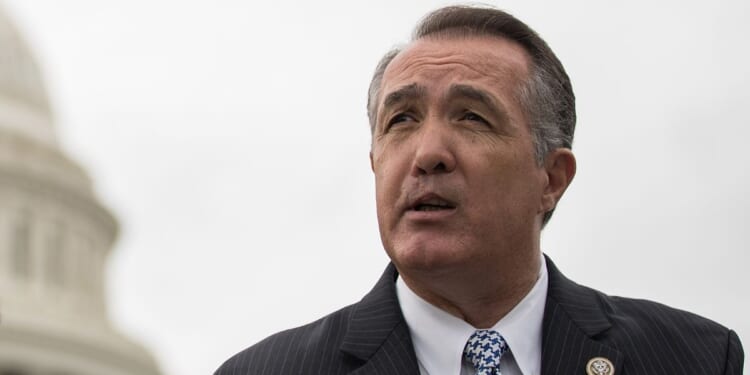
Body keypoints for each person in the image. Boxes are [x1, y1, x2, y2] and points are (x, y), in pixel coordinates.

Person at [215, 5, 744, 375]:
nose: (427, 154)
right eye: (401, 120)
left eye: (471, 117)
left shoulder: (693, 358)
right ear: (375, 163)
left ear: (551, 179)